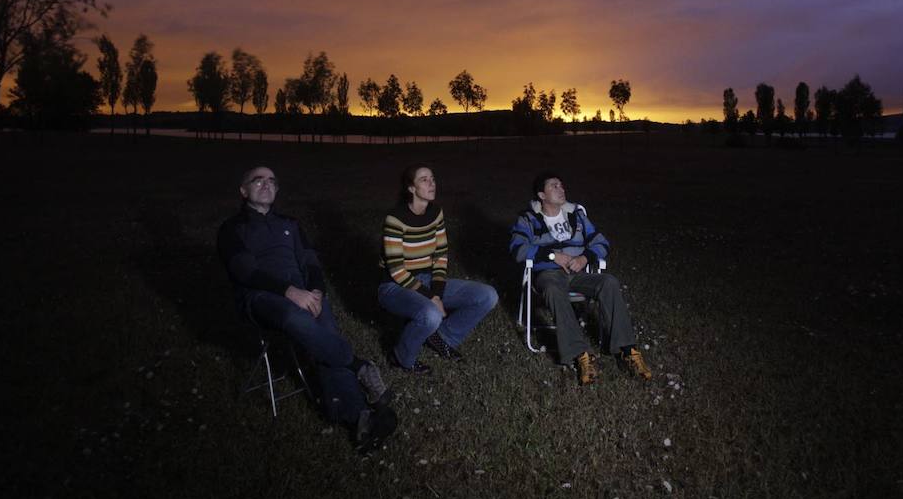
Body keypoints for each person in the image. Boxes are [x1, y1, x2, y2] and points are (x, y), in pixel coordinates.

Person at [218, 165, 397, 452]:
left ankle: (358, 416)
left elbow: (310, 261)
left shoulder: (290, 223)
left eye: (272, 181)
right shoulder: (233, 229)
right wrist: (290, 292)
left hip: (304, 292)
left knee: (323, 333)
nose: (266, 185)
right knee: (294, 316)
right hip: (262, 297)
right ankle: (358, 365)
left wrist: (316, 291)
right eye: (257, 180)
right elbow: (244, 271)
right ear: (243, 190)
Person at [509, 171, 652, 385]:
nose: (561, 189)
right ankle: (580, 355)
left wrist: (585, 258)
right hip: (549, 274)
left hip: (578, 273)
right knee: (553, 289)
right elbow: (518, 248)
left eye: (561, 185)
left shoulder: (577, 215)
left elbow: (601, 242)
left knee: (608, 282)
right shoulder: (528, 219)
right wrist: (552, 256)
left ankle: (626, 350)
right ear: (541, 195)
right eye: (554, 186)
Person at [379, 164, 498, 373]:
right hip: (394, 286)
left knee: (488, 295)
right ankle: (401, 357)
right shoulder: (395, 219)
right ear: (411, 188)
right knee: (431, 314)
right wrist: (432, 298)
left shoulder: (435, 213)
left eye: (432, 178)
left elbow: (441, 257)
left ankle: (443, 337)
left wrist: (437, 293)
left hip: (426, 279)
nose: (431, 183)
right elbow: (397, 271)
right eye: (424, 180)